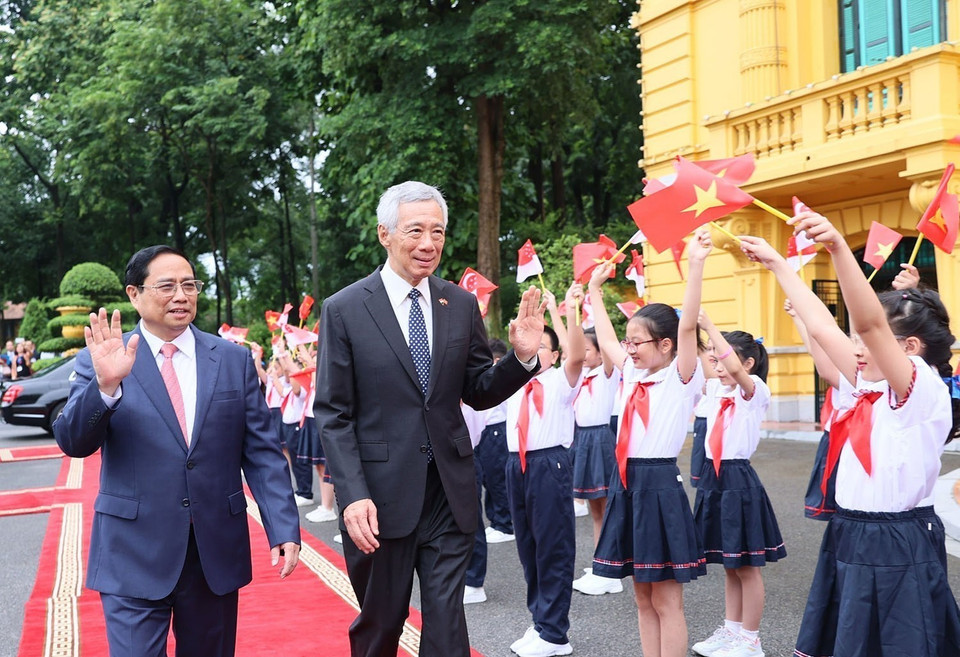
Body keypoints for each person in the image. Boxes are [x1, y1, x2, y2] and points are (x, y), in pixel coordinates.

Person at [315, 180, 545, 657]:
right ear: (385, 234)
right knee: (382, 625)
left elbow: (478, 390)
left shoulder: (458, 303)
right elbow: (333, 414)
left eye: (437, 232)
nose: (428, 244)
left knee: (446, 624)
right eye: (415, 231)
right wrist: (352, 495)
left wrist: (520, 359)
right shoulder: (345, 309)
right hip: (378, 501)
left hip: (448, 490)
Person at [53, 245, 301, 657]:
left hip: (213, 554)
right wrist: (106, 387)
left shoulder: (232, 360)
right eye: (167, 286)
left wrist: (283, 525)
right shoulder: (103, 359)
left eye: (190, 285)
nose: (181, 295)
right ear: (134, 294)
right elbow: (73, 442)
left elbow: (262, 453)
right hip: (131, 552)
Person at [739, 213, 960, 657]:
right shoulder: (876, 384)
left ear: (910, 347)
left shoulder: (921, 388)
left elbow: (871, 327)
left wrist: (840, 248)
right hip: (852, 533)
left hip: (894, 541)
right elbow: (823, 328)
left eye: (866, 341)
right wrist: (779, 266)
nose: (857, 348)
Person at [587, 229, 709, 657]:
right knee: (641, 596)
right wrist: (593, 291)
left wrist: (695, 264)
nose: (629, 349)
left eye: (636, 342)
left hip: (658, 486)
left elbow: (689, 323)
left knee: (666, 598)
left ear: (666, 345)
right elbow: (604, 340)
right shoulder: (632, 374)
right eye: (629, 341)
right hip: (627, 485)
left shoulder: (680, 377)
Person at [691, 315, 786, 657]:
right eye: (714, 360)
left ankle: (750, 639)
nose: (717, 365)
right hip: (714, 479)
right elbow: (703, 358)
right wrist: (691, 325)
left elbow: (727, 360)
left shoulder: (754, 390)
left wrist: (710, 327)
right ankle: (731, 632)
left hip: (738, 480)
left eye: (724, 358)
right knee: (730, 564)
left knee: (747, 566)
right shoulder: (715, 389)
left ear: (746, 362)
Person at [505, 286, 585, 657]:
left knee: (552, 547)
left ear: (553, 354)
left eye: (541, 347)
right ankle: (541, 620)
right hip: (515, 465)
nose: (533, 351)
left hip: (547, 463)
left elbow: (578, 353)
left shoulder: (561, 381)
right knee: (528, 548)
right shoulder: (512, 380)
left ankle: (555, 633)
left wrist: (570, 309)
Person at [570, 326, 622, 596]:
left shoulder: (607, 373)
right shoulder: (582, 376)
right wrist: (561, 312)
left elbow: (608, 341)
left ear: (602, 354)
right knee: (596, 510)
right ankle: (601, 563)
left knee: (606, 506)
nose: (582, 353)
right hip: (584, 440)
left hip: (601, 439)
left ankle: (611, 569)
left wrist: (594, 297)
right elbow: (570, 345)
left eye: (588, 349)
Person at [476, 338, 515, 543]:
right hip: (484, 431)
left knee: (497, 478)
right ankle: (496, 520)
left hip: (497, 431)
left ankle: (505, 523)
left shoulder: (500, 376)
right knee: (488, 479)